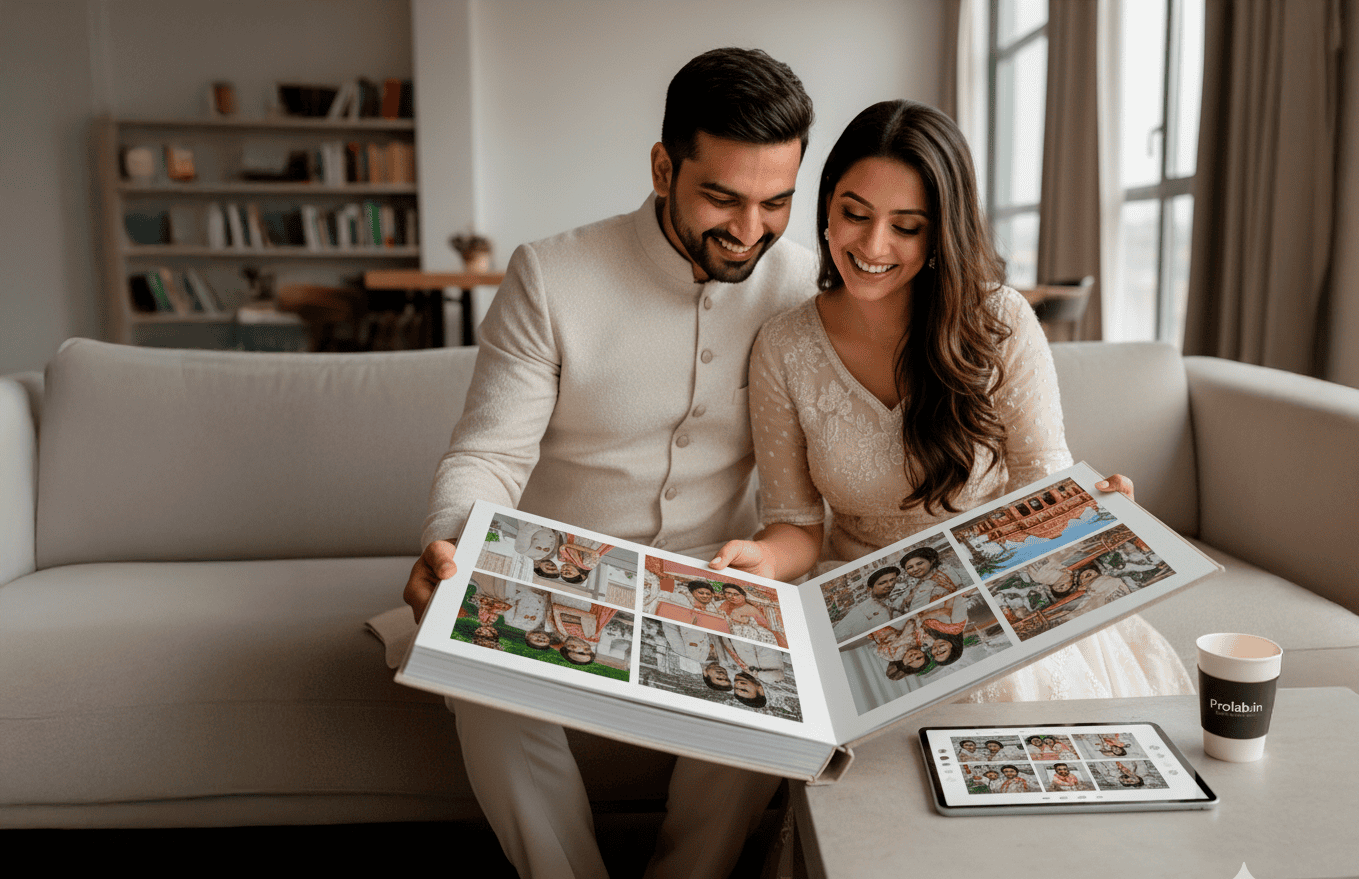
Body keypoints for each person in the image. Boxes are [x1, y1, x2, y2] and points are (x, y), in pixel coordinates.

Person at [395, 48, 817, 879]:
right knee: (481, 683)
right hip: (556, 580)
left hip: (713, 584)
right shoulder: (550, 275)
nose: (748, 229)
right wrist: (452, 540)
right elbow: (486, 453)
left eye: (777, 202)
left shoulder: (805, 287)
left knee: (770, 683)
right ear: (664, 167)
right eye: (722, 196)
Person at [711, 99, 1192, 704]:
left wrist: (1089, 510)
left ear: (940, 230)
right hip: (862, 596)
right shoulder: (784, 346)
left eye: (906, 226)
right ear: (826, 206)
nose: (874, 245)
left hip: (994, 586)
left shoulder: (1002, 322)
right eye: (854, 214)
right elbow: (798, 528)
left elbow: (1042, 481)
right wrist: (762, 556)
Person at [719, 583, 787, 648]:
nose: (732, 597)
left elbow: (764, 627)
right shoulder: (725, 604)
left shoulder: (751, 609)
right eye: (728, 593)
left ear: (743, 596)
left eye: (736, 594)